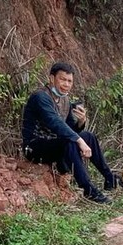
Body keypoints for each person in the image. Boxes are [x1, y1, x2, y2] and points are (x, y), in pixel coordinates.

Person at [21, 62, 116, 204]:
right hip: (34, 147)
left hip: (56, 144)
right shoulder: (40, 97)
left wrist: (81, 122)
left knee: (88, 136)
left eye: (69, 81)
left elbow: (71, 129)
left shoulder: (64, 99)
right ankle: (89, 190)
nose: (66, 84)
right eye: (62, 79)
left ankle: (110, 178)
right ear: (52, 78)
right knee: (71, 141)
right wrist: (79, 141)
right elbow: (54, 122)